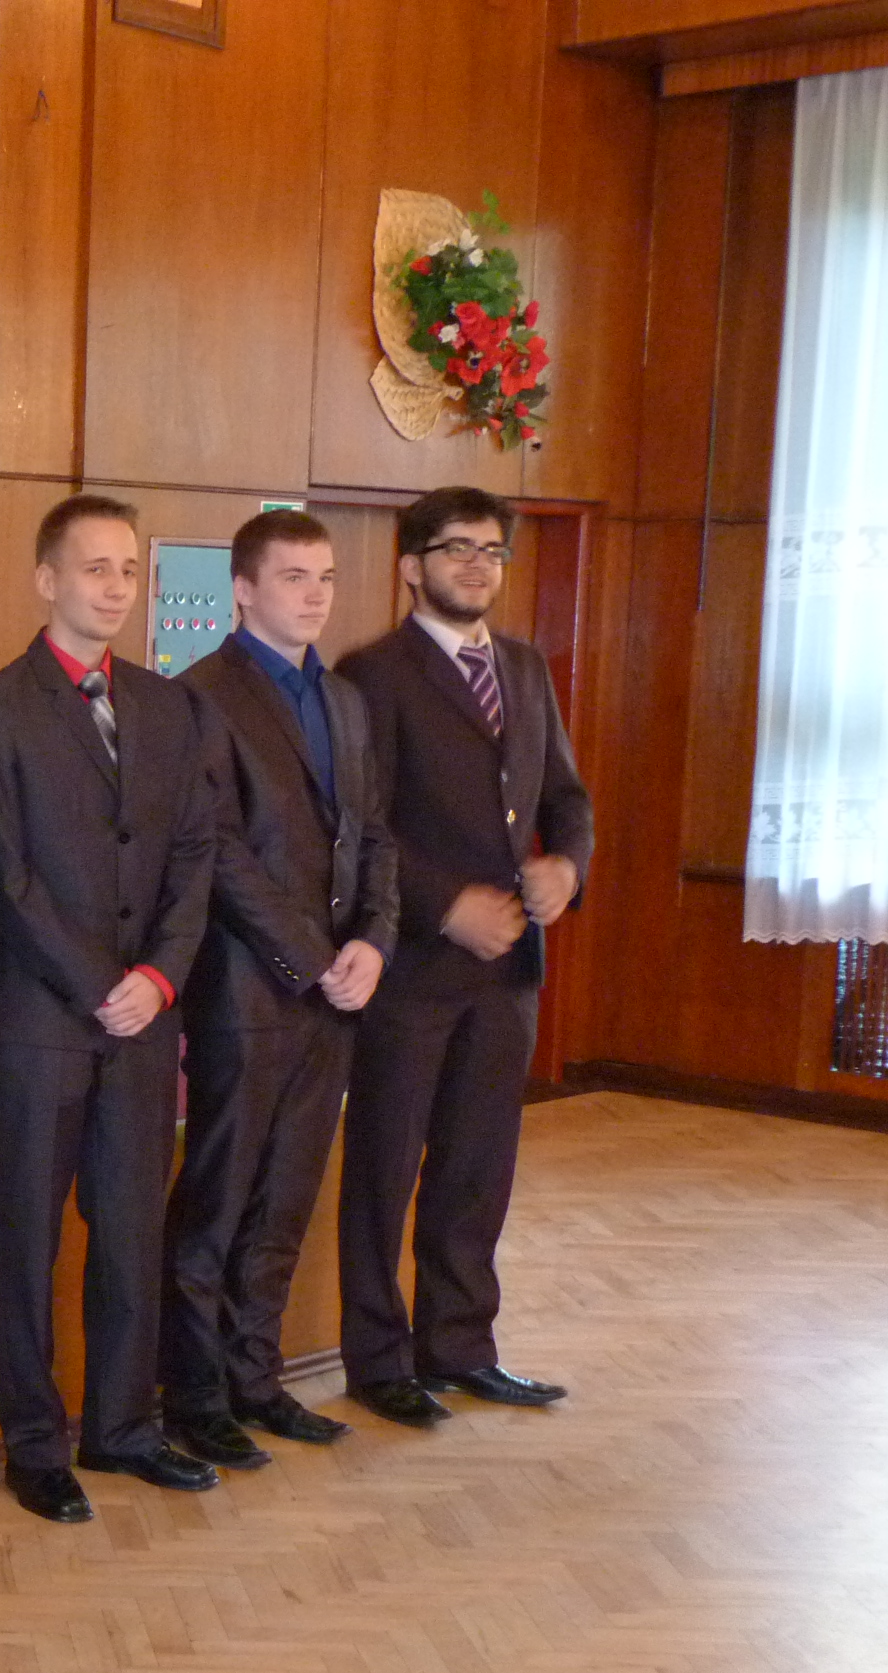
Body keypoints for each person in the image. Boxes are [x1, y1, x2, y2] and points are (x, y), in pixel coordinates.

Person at [0, 493, 219, 1527]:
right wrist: (93, 983)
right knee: (27, 1237)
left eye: (127, 570)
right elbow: (1, 872)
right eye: (94, 568)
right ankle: (35, 1442)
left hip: (145, 1019)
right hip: (44, 1020)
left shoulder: (165, 706)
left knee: (130, 1230)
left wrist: (158, 977)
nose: (115, 588)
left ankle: (123, 1426)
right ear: (46, 580)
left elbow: (193, 854)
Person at [334, 487, 593, 1426]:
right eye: (457, 549)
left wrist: (567, 865)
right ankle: (377, 1359)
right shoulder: (371, 673)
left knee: (478, 1168)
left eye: (491, 550)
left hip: (508, 973)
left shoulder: (523, 667)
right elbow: (363, 823)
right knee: (385, 1168)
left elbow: (566, 796)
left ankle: (460, 1346)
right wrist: (445, 908)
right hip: (410, 968)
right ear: (412, 566)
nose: (478, 565)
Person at [160, 511, 397, 1467]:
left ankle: (257, 1380)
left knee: (287, 1197)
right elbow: (215, 849)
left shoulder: (343, 700)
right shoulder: (200, 695)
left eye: (325, 577)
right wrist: (311, 955)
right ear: (244, 589)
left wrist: (373, 941)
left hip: (334, 991)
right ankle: (195, 1395)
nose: (315, 595)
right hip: (246, 988)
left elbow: (374, 834)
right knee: (219, 1200)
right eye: (294, 577)